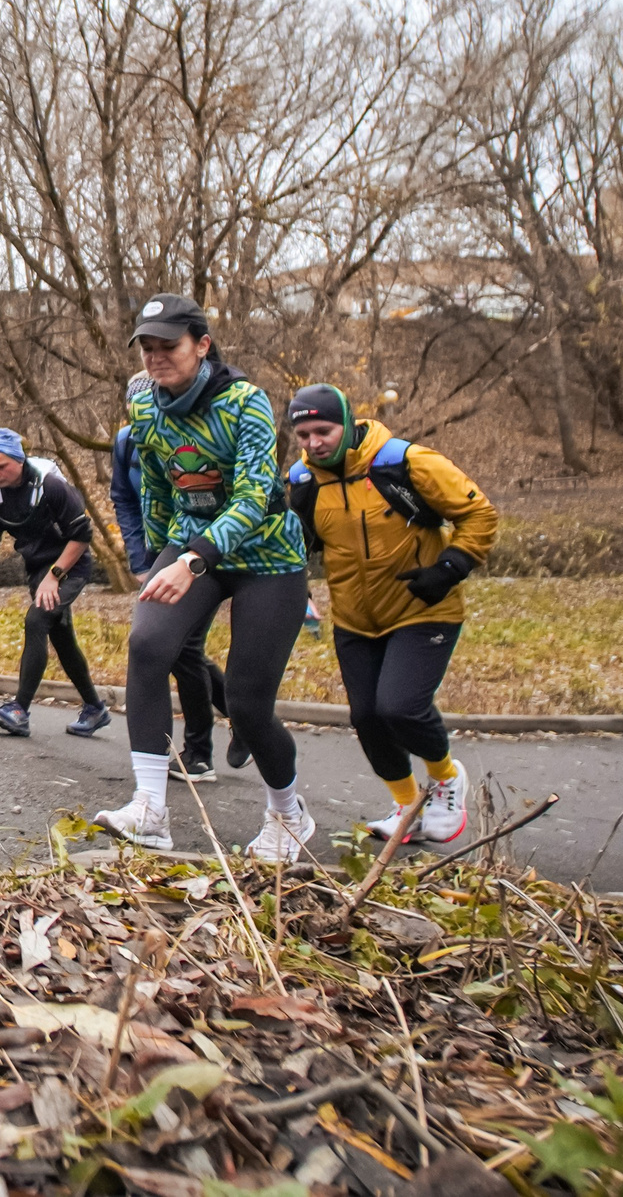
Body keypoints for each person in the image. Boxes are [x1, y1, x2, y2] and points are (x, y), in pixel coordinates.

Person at [91, 294, 317, 862]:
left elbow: (253, 499)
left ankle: (288, 816)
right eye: (147, 347)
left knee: (246, 704)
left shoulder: (247, 404)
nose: (156, 357)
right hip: (190, 541)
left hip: (265, 554)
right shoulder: (144, 406)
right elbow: (160, 484)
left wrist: (191, 561)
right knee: (148, 643)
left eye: (169, 345)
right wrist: (157, 554)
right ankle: (149, 809)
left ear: (203, 345)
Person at [284, 384, 499, 847]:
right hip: (355, 619)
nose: (313, 443)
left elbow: (479, 513)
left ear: (347, 424)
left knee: (400, 707)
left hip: (423, 609)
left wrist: (451, 566)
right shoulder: (302, 483)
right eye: (302, 434)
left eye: (323, 430)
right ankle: (407, 806)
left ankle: (445, 779)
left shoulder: (406, 463)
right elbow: (293, 545)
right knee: (367, 717)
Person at [109, 372, 239, 782]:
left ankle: (200, 752)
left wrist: (196, 554)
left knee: (184, 649)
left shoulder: (198, 435)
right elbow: (125, 500)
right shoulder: (127, 440)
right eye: (135, 409)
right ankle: (238, 716)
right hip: (160, 549)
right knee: (175, 649)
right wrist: (141, 559)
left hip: (205, 546)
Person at [0, 428, 112, 740]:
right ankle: (95, 708)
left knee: (36, 620)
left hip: (70, 567)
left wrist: (55, 577)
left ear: (19, 461)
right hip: (38, 569)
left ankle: (19, 710)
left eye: (1, 466)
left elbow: (82, 536)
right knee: (62, 638)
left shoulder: (51, 486)